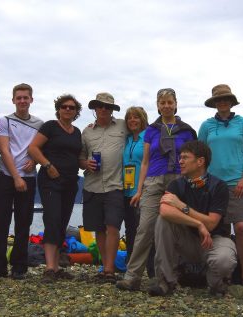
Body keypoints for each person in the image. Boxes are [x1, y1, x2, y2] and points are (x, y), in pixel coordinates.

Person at [117, 88, 196, 291]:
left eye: (170, 102)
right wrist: (139, 189)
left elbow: (191, 160)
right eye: (162, 103)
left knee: (172, 229)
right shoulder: (151, 130)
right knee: (144, 228)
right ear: (157, 105)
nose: (166, 106)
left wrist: (191, 184)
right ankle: (132, 276)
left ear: (175, 104)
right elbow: (145, 162)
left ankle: (168, 278)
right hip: (153, 180)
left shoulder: (186, 130)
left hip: (178, 181)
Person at [148, 140, 236, 296]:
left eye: (185, 157)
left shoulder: (218, 186)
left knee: (224, 260)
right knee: (163, 221)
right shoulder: (176, 185)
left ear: (200, 161)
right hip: (187, 241)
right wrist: (197, 224)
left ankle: (216, 284)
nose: (180, 161)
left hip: (213, 240)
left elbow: (210, 224)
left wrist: (182, 206)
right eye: (180, 157)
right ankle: (165, 282)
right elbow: (164, 211)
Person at [198, 84, 243, 291]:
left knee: (240, 227)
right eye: (218, 99)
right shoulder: (206, 126)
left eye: (226, 99)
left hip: (237, 183)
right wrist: (201, 179)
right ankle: (223, 274)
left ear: (231, 102)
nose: (222, 102)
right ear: (214, 103)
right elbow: (200, 153)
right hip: (212, 185)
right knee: (218, 230)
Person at [0, 83, 43, 280]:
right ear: (13, 100)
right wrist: (16, 177)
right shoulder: (5, 121)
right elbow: (4, 150)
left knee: (23, 223)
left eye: (26, 97)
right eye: (19, 98)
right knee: (0, 222)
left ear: (31, 100)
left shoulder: (39, 124)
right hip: (6, 177)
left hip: (29, 178)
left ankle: (19, 267)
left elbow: (42, 149)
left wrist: (34, 160)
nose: (22, 101)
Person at [28, 94, 82, 282]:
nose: (68, 109)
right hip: (50, 181)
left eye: (72, 107)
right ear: (58, 109)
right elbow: (33, 148)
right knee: (52, 219)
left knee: (62, 222)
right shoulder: (50, 126)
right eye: (64, 106)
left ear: (76, 112)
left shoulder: (77, 132)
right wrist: (47, 165)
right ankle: (49, 268)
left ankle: (57, 266)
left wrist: (88, 164)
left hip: (70, 182)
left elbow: (79, 158)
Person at [79, 92, 127, 283]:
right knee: (98, 229)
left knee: (113, 226)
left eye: (107, 106)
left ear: (112, 109)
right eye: (100, 106)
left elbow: (141, 134)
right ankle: (105, 266)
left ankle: (109, 270)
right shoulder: (87, 131)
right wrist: (85, 164)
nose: (103, 109)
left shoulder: (123, 125)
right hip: (92, 185)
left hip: (116, 185)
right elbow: (80, 157)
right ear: (95, 108)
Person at [122, 106, 149, 261]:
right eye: (129, 117)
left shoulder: (149, 137)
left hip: (143, 189)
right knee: (130, 227)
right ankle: (130, 260)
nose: (132, 120)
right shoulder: (126, 139)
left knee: (143, 228)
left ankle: (145, 262)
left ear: (143, 119)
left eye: (136, 117)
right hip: (126, 190)